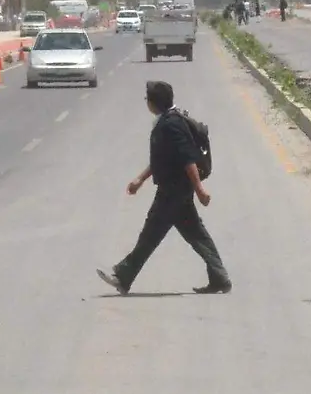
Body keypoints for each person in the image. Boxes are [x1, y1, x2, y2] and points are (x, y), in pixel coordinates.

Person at [96, 81, 232, 295]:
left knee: (150, 235)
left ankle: (123, 276)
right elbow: (163, 159)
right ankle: (220, 278)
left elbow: (188, 159)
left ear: (153, 103)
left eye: (147, 99)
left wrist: (200, 190)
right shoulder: (167, 122)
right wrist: (140, 179)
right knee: (196, 234)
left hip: (174, 191)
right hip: (176, 189)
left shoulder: (171, 125)